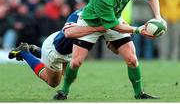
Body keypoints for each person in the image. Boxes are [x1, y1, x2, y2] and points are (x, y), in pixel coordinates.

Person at [68, 0, 165, 99]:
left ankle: (139, 94)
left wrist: (158, 17)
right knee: (76, 62)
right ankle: (63, 92)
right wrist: (137, 30)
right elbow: (113, 26)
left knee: (132, 59)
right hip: (91, 22)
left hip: (114, 19)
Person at [8, 8, 148, 100]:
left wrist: (116, 40)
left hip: (69, 52)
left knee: (71, 77)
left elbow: (115, 49)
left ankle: (37, 51)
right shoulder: (79, 15)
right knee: (53, 82)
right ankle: (25, 52)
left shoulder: (107, 15)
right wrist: (98, 29)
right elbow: (70, 33)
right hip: (55, 50)